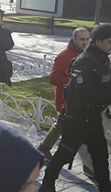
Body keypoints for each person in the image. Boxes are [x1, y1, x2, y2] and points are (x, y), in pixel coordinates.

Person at [39, 24, 111, 192]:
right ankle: (47, 185)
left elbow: (109, 83)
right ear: (98, 42)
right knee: (64, 154)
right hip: (78, 118)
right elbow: (84, 94)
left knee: (100, 155)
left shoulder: (101, 58)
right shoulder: (85, 62)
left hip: (93, 117)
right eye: (109, 42)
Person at [36, 27, 90, 159]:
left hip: (81, 101)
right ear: (74, 39)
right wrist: (74, 79)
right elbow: (53, 78)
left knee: (61, 125)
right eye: (82, 39)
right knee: (79, 131)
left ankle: (43, 149)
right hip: (65, 100)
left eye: (88, 39)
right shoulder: (64, 56)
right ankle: (88, 164)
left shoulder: (87, 55)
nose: (85, 42)